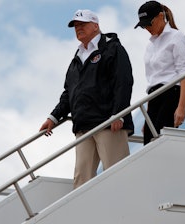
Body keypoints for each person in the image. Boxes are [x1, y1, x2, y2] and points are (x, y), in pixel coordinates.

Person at [39, 9, 134, 189]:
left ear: (96, 26)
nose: (78, 28)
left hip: (109, 123)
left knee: (116, 175)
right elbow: (69, 93)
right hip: (83, 126)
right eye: (75, 26)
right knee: (81, 180)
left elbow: (124, 82)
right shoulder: (76, 58)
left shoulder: (113, 49)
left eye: (82, 24)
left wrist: (119, 114)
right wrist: (53, 117)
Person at [135, 1, 185, 145]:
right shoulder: (150, 45)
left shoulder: (176, 36)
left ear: (161, 16)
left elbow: (184, 72)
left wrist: (181, 106)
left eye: (149, 23)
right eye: (143, 25)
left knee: (161, 141)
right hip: (154, 97)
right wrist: (148, 116)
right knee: (148, 140)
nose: (147, 28)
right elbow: (152, 80)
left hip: (171, 93)